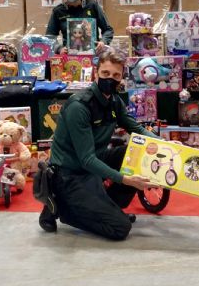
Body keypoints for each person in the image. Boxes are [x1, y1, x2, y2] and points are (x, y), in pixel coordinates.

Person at [38, 50, 159, 240]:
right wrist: (126, 179)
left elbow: (136, 129)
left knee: (136, 151)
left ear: (121, 77)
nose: (110, 79)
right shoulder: (79, 106)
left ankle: (103, 207)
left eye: (116, 75)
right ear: (96, 73)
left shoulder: (115, 102)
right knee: (120, 228)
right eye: (105, 74)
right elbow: (86, 160)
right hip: (70, 173)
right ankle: (62, 208)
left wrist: (166, 145)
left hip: (94, 162)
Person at [45, 0, 114, 54]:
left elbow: (108, 30)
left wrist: (103, 42)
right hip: (69, 58)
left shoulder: (92, 6)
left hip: (93, 56)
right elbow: (50, 37)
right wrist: (59, 49)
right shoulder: (58, 11)